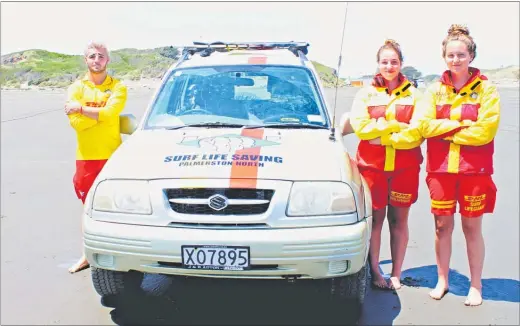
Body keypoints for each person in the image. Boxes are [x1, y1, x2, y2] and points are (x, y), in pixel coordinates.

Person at [416, 24, 500, 306]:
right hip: (440, 170)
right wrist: (459, 124)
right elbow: (424, 126)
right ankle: (443, 280)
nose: (456, 60)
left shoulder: (486, 90)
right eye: (451, 55)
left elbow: (485, 131)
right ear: (444, 57)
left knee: (471, 228)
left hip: (473, 170)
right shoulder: (434, 90)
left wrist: (446, 130)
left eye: (461, 55)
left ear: (471, 56)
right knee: (442, 226)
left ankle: (475, 285)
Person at [340, 40, 424, 290]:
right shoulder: (365, 94)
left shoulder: (415, 95)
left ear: (401, 64)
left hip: (405, 169)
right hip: (372, 168)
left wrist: (382, 133)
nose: (389, 66)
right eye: (385, 61)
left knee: (399, 221)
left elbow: (417, 133)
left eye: (394, 61)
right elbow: (363, 130)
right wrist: (397, 126)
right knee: (375, 220)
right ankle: (375, 271)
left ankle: (397, 273)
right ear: (378, 64)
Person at [64, 42, 128, 273]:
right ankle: (86, 254)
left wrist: (81, 109)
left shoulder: (118, 86)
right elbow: (78, 126)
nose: (97, 59)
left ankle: (119, 250)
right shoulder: (76, 88)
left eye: (101, 56)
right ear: (86, 60)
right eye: (92, 56)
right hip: (87, 157)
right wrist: (99, 115)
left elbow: (111, 115)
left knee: (116, 205)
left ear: (107, 60)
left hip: (113, 156)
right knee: (88, 206)